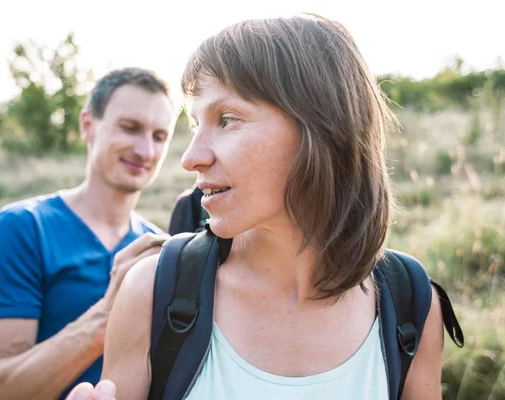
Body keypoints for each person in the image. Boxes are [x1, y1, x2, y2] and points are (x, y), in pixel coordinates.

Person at [68, 13, 449, 400]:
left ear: (322, 129)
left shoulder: (411, 304)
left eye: (227, 119)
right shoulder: (151, 291)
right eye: (194, 125)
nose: (191, 157)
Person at [0, 67, 175, 400]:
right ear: (87, 126)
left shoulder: (155, 247)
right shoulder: (23, 228)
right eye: (130, 128)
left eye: (159, 136)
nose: (145, 151)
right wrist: (105, 319)